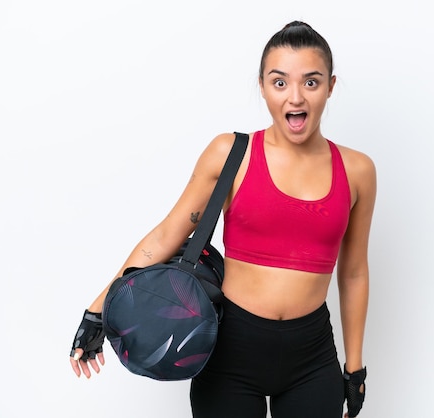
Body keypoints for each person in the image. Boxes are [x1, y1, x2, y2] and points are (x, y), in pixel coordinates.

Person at [69, 21, 377, 418]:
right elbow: (166, 235)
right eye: (280, 82)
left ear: (331, 86)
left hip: (312, 358)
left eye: (311, 82)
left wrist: (354, 369)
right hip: (231, 353)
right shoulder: (231, 154)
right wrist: (98, 309)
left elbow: (353, 274)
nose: (295, 97)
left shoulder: (357, 171)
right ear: (263, 86)